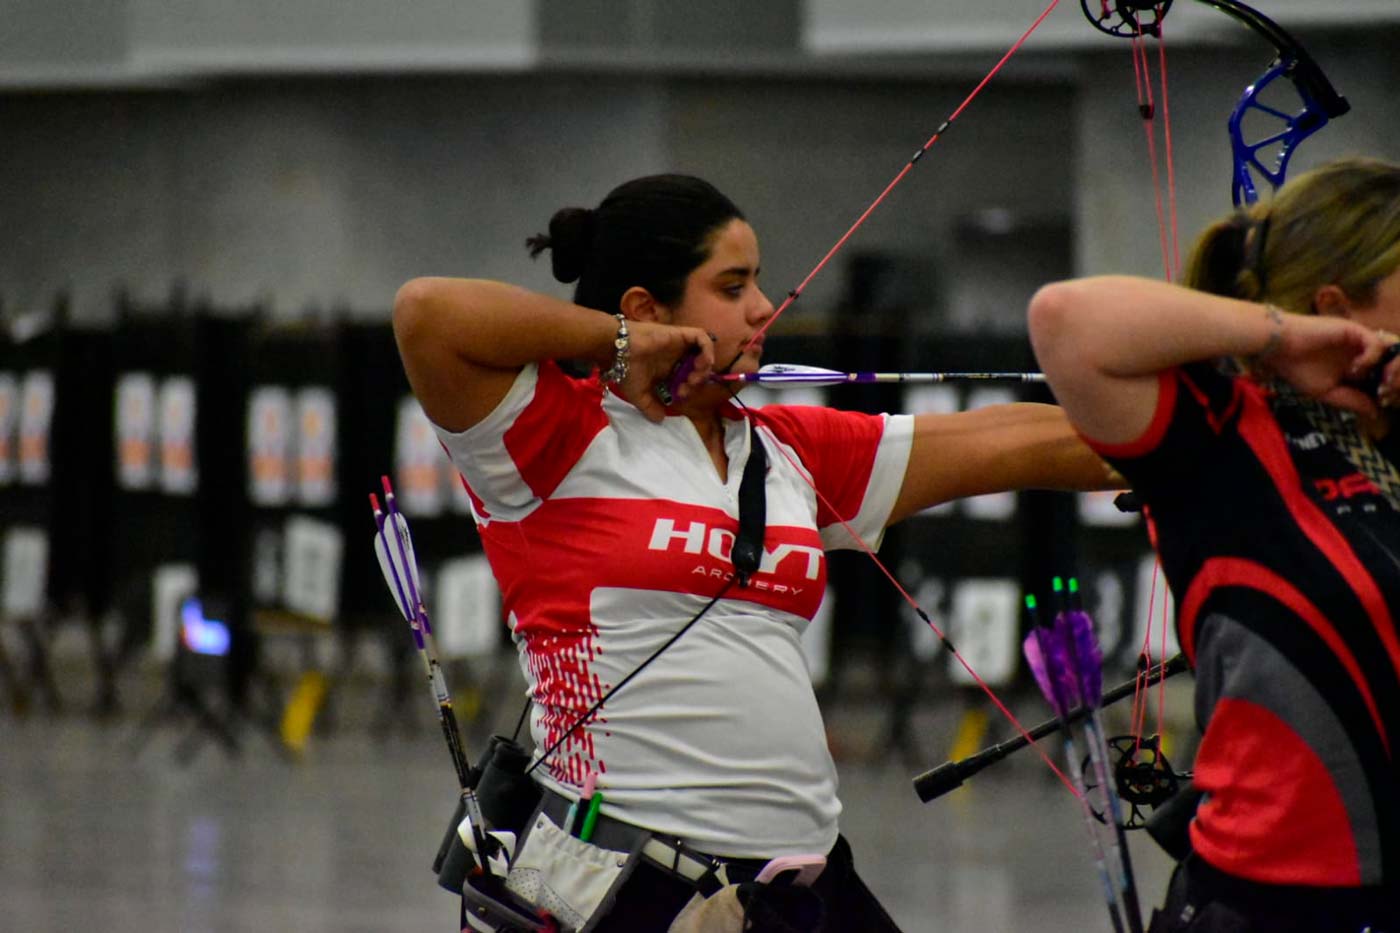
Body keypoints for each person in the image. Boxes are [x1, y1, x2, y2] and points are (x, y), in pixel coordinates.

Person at [393, 173, 1120, 932]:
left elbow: (1011, 442)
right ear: (647, 310)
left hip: (797, 889)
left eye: (758, 282)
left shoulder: (786, 451)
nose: (763, 307)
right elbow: (426, 314)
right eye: (732, 285)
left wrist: (1190, 439)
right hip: (631, 887)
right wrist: (617, 345)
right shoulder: (554, 435)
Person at [1027, 157, 1400, 933]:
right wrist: (1282, 336)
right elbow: (1065, 319)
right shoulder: (1224, 432)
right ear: (1338, 305)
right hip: (1277, 902)